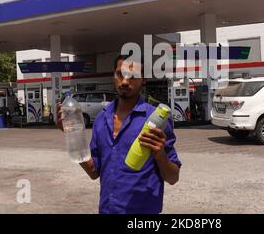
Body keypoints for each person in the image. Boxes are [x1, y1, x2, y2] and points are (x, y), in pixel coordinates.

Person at [56, 54, 181, 214]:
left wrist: (160, 154)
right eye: (120, 74)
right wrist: (72, 136)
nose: (125, 81)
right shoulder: (101, 119)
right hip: (107, 209)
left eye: (133, 76)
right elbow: (94, 172)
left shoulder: (156, 120)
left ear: (144, 80)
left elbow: (173, 177)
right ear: (114, 75)